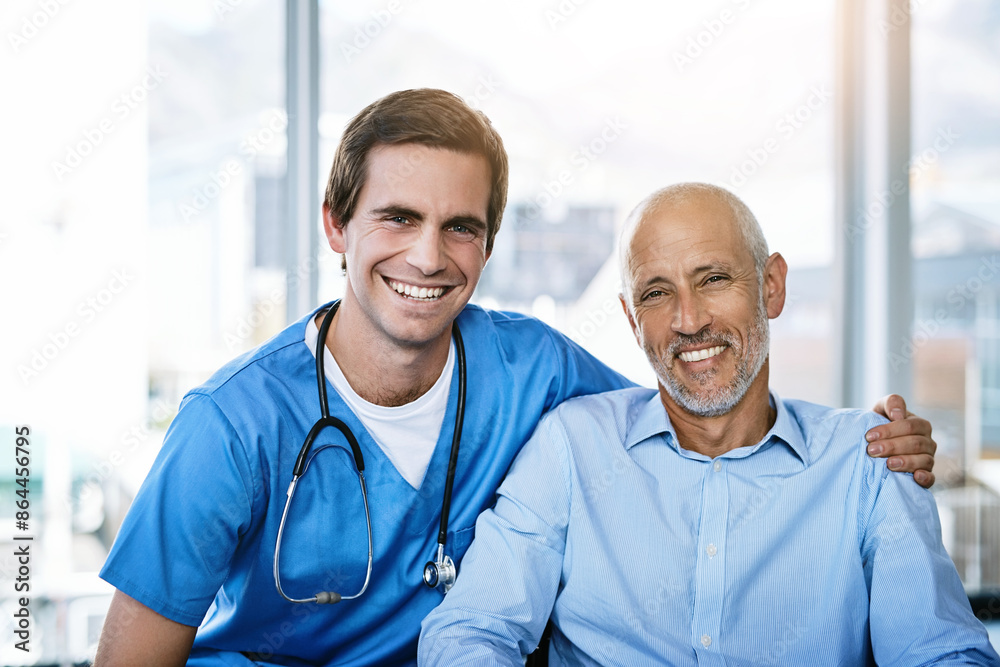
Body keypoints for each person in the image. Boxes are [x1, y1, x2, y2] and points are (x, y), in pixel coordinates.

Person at [94, 92, 937, 667]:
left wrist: (879, 445)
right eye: (398, 217)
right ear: (335, 226)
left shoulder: (537, 373)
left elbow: (695, 403)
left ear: (487, 248)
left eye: (460, 226)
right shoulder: (230, 425)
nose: (428, 255)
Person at [418, 183, 997, 665]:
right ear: (630, 317)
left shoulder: (869, 463)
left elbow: (940, 654)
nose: (688, 319)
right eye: (656, 292)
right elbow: (471, 632)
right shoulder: (571, 445)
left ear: (771, 286)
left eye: (714, 279)